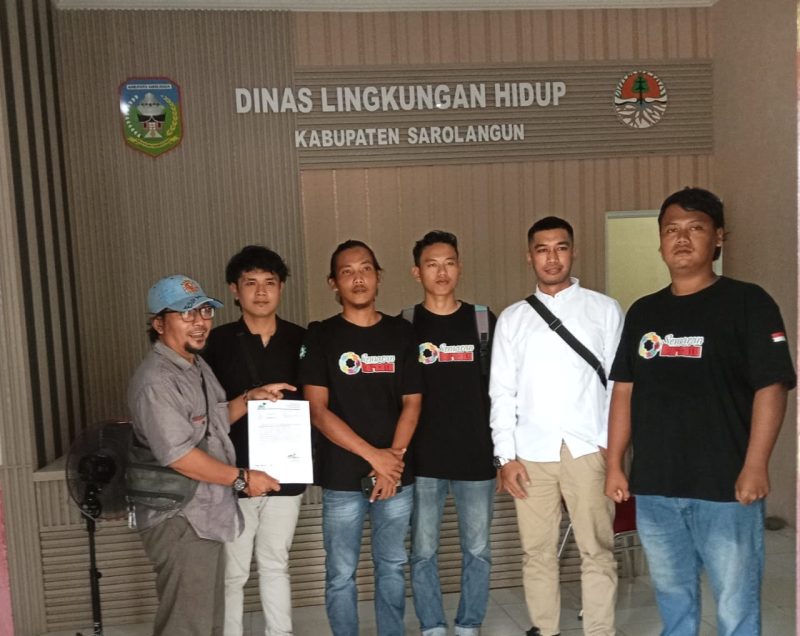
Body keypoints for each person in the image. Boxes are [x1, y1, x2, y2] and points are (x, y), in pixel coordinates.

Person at [604, 187, 796, 636]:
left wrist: (756, 465)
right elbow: (625, 390)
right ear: (660, 242)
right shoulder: (644, 312)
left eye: (696, 228)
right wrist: (614, 464)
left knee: (735, 602)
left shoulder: (749, 303)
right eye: (671, 229)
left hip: (725, 487)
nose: (682, 238)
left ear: (719, 237)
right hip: (656, 487)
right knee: (673, 600)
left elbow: (771, 386)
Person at [128, 274, 286, 636]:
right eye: (186, 314)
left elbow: (211, 423)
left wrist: (248, 399)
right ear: (158, 324)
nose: (200, 322)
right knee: (187, 625)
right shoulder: (157, 381)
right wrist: (243, 478)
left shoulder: (194, 365)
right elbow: (180, 455)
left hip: (203, 512)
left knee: (208, 620)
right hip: (178, 517)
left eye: (204, 311)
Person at [490, 217, 623, 636]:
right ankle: (545, 630)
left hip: (589, 450)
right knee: (537, 553)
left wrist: (612, 449)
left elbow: (620, 386)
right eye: (542, 249)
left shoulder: (604, 309)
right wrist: (505, 457)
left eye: (560, 247)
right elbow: (502, 392)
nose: (552, 258)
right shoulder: (513, 319)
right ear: (529, 256)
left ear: (573, 252)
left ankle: (600, 631)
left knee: (597, 550)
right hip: (531, 453)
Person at [299, 239, 423, 636]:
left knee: (392, 566)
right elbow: (317, 411)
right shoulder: (321, 336)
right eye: (347, 272)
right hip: (342, 477)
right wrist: (376, 458)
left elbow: (413, 402)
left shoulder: (401, 332)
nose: (358, 278)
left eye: (365, 269)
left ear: (379, 276)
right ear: (333, 283)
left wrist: (393, 461)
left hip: (395, 477)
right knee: (340, 573)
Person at [202, 246, 306, 636]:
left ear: (281, 288)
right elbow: (205, 414)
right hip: (234, 473)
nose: (261, 292)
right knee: (233, 572)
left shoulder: (302, 340)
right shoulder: (215, 343)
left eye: (269, 283)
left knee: (276, 562)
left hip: (287, 473)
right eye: (251, 283)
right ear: (234, 289)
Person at [404, 230, 497, 636]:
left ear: (459, 267)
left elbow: (501, 390)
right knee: (423, 551)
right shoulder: (405, 324)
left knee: (478, 550)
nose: (441, 272)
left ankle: (468, 624)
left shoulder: (483, 320)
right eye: (432, 264)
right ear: (417, 272)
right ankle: (432, 626)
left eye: (449, 263)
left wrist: (503, 454)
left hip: (475, 457)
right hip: (422, 460)